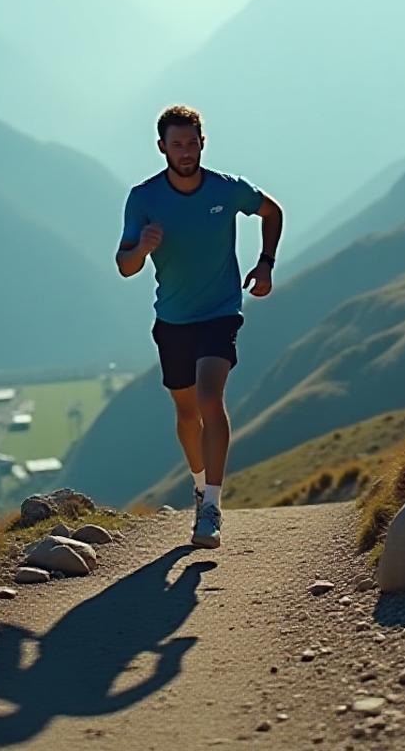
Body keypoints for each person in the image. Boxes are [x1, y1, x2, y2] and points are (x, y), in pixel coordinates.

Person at [116, 105, 283, 548]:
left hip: (220, 312)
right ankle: (198, 485)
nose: (186, 152)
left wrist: (265, 264)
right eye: (177, 145)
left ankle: (211, 506)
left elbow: (272, 212)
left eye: (192, 143)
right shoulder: (144, 198)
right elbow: (125, 266)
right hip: (173, 319)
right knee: (187, 414)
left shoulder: (228, 189)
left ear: (203, 143)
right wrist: (143, 247)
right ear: (162, 148)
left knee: (210, 397)